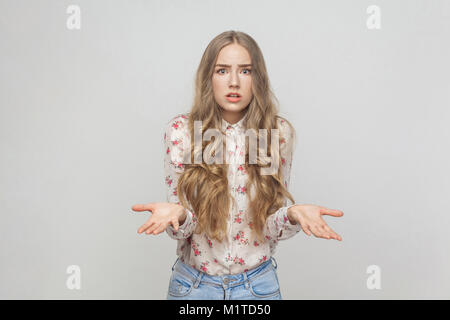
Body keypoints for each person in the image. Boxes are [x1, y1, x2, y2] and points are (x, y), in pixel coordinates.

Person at [132, 30, 343, 300]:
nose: (234, 82)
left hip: (256, 288)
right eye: (222, 71)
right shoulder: (184, 132)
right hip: (194, 288)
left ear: (258, 78)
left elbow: (267, 226)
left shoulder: (274, 133)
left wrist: (293, 214)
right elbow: (184, 229)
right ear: (208, 77)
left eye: (245, 71)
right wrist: (178, 214)